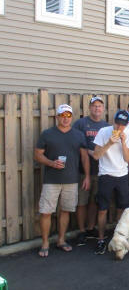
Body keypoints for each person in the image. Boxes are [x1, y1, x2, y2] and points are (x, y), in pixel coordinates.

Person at [35, 104, 90, 257]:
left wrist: (86, 176)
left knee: (65, 211)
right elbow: (38, 154)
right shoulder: (47, 134)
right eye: (62, 115)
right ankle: (45, 242)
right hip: (51, 180)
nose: (66, 119)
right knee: (46, 212)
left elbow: (85, 157)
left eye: (68, 116)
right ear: (57, 117)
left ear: (71, 117)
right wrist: (51, 163)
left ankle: (61, 240)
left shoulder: (78, 135)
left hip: (71, 180)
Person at [92, 110, 129, 255]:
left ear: (127, 124)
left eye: (122, 125)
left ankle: (118, 236)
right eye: (117, 123)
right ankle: (101, 239)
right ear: (113, 120)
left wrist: (122, 141)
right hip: (106, 174)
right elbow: (96, 156)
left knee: (122, 208)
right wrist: (109, 143)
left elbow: (128, 159)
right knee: (102, 209)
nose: (119, 127)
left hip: (122, 175)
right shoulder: (104, 132)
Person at [73, 96, 110, 246]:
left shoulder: (106, 126)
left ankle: (90, 228)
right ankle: (81, 231)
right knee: (82, 202)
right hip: (83, 171)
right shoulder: (81, 124)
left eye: (100, 106)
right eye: (94, 106)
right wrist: (89, 152)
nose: (97, 108)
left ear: (103, 109)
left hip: (100, 170)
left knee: (95, 202)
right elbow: (74, 142)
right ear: (89, 108)